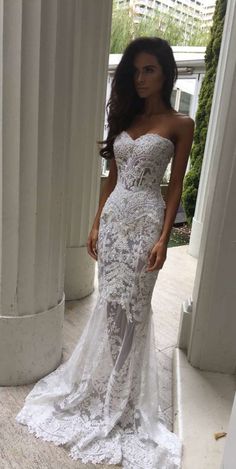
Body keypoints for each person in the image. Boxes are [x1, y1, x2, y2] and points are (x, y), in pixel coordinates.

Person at [16, 37, 194, 468]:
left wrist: (164, 238)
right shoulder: (126, 117)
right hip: (115, 221)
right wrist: (96, 223)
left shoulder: (180, 123)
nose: (140, 78)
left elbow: (174, 187)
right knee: (112, 308)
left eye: (148, 69)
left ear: (166, 72)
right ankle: (114, 382)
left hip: (147, 220)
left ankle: (125, 396)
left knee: (135, 308)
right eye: (135, 71)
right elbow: (110, 178)